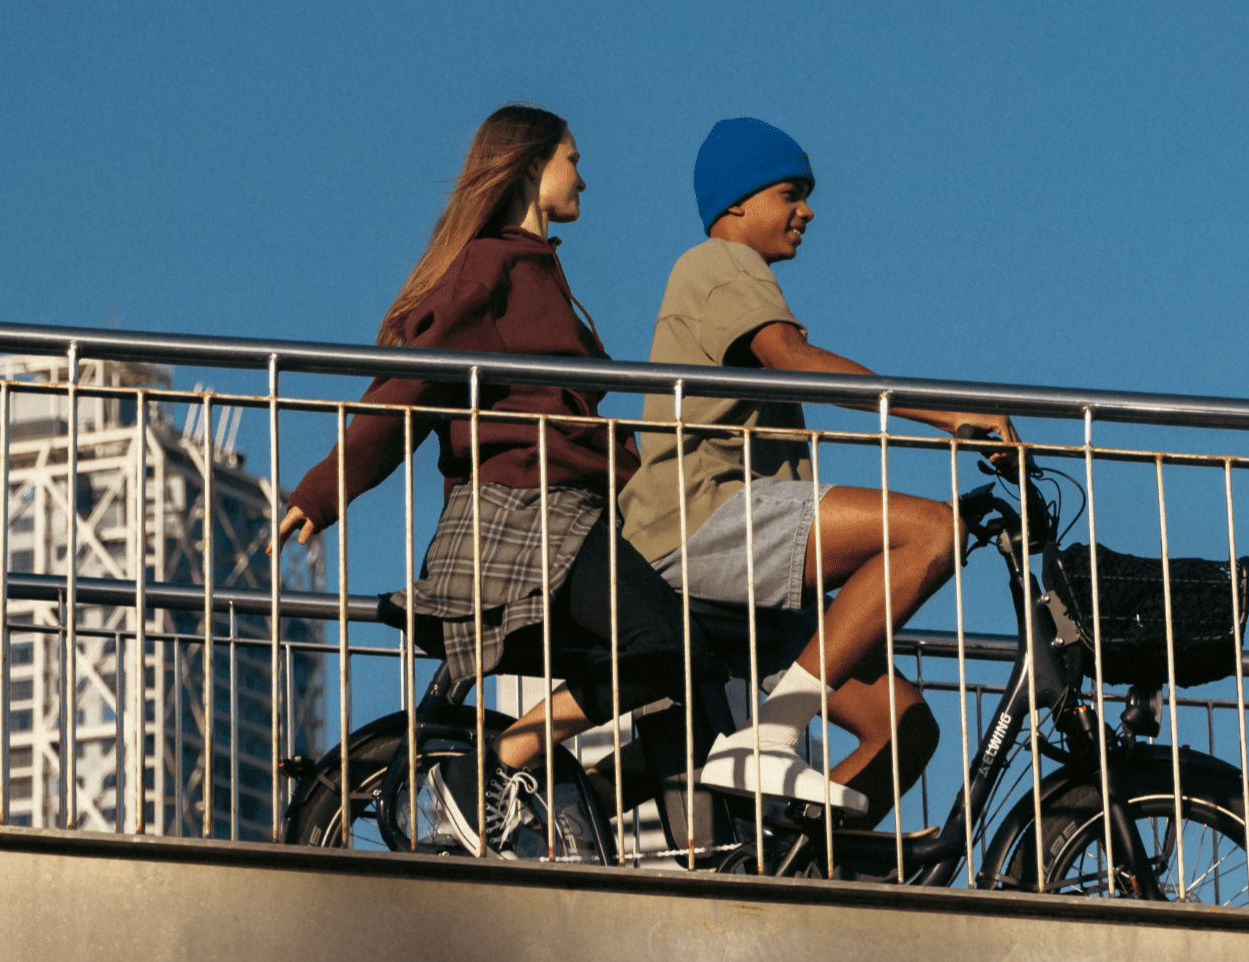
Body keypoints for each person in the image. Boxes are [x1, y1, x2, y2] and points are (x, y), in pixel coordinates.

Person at [274, 103, 705, 855]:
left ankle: (666, 835)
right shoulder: (491, 267)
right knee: (674, 649)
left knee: (682, 662)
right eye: (574, 158)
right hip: (528, 514)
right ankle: (494, 767)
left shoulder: (542, 273)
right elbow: (411, 386)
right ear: (533, 168)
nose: (585, 178)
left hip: (571, 514)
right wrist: (323, 492)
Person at [618, 117, 1017, 827]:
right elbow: (793, 359)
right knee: (929, 532)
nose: (807, 210)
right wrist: (951, 414)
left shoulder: (729, 273)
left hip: (748, 571)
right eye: (790, 192)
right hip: (703, 523)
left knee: (907, 727)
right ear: (736, 203)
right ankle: (772, 737)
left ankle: (800, 858)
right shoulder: (720, 263)